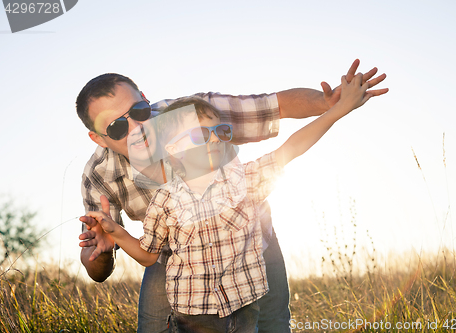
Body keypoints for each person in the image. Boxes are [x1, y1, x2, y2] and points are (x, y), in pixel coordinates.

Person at [76, 59, 388, 333]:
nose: (136, 128)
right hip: (174, 252)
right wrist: (107, 245)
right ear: (98, 138)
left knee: (272, 323)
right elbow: (135, 256)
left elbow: (274, 108)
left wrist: (331, 103)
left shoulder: (193, 116)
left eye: (139, 111)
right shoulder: (121, 185)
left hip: (246, 235)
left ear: (146, 100)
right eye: (117, 127)